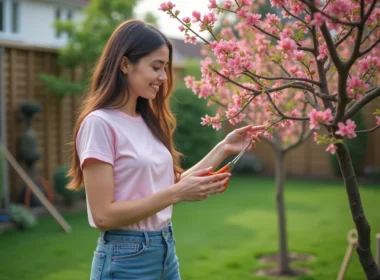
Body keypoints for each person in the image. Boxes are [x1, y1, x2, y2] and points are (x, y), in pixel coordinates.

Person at [66, 19, 264, 280]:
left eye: (166, 68)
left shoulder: (146, 120)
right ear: (125, 64)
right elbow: (103, 215)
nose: (163, 77)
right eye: (156, 67)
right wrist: (176, 193)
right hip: (125, 259)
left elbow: (168, 185)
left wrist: (223, 148)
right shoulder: (99, 124)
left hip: (165, 250)